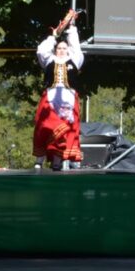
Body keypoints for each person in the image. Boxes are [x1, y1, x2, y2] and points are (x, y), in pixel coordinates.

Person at [33, 20, 84, 171]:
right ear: (55, 50)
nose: (61, 50)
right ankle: (39, 159)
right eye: (59, 48)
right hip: (50, 96)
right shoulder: (49, 60)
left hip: (68, 97)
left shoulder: (75, 60)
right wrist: (53, 36)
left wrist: (72, 27)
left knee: (64, 129)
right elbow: (41, 50)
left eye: (64, 48)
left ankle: (57, 161)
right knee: (45, 126)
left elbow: (76, 46)